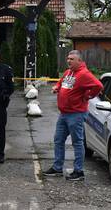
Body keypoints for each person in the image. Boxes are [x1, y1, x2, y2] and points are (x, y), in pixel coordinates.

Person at [43, 50, 103, 181]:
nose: (68, 61)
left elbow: (98, 85)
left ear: (79, 61)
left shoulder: (84, 74)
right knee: (58, 140)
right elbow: (61, 82)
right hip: (64, 113)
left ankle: (78, 171)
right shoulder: (68, 72)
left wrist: (88, 96)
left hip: (76, 114)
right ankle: (57, 168)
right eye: (68, 58)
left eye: (71, 59)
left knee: (77, 142)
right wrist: (56, 87)